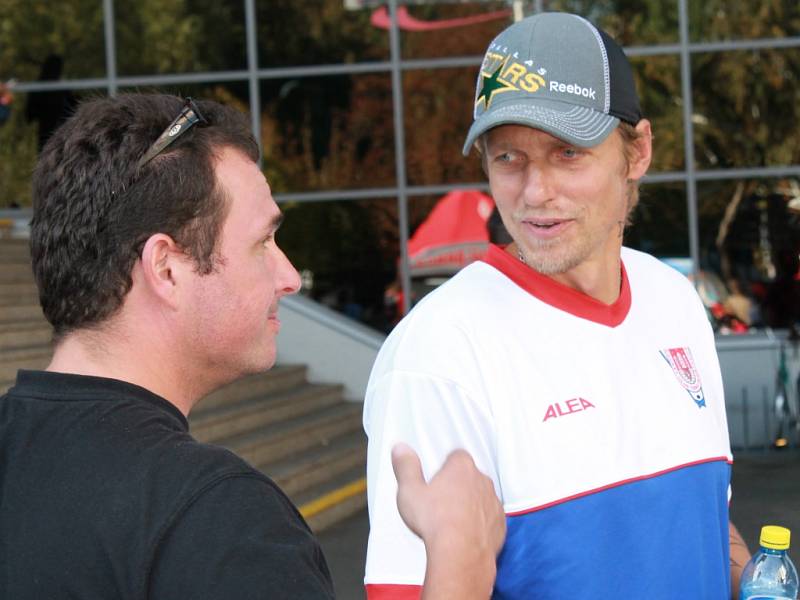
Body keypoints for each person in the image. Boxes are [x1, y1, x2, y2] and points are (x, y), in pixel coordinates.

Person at [0, 93, 504, 599]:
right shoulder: (215, 521)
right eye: (263, 242)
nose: (288, 277)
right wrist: (460, 562)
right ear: (166, 269)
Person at [364, 12, 750, 599]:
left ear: (638, 151)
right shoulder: (439, 352)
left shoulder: (674, 300)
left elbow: (700, 522)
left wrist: (754, 579)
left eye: (567, 152)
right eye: (507, 158)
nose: (535, 193)